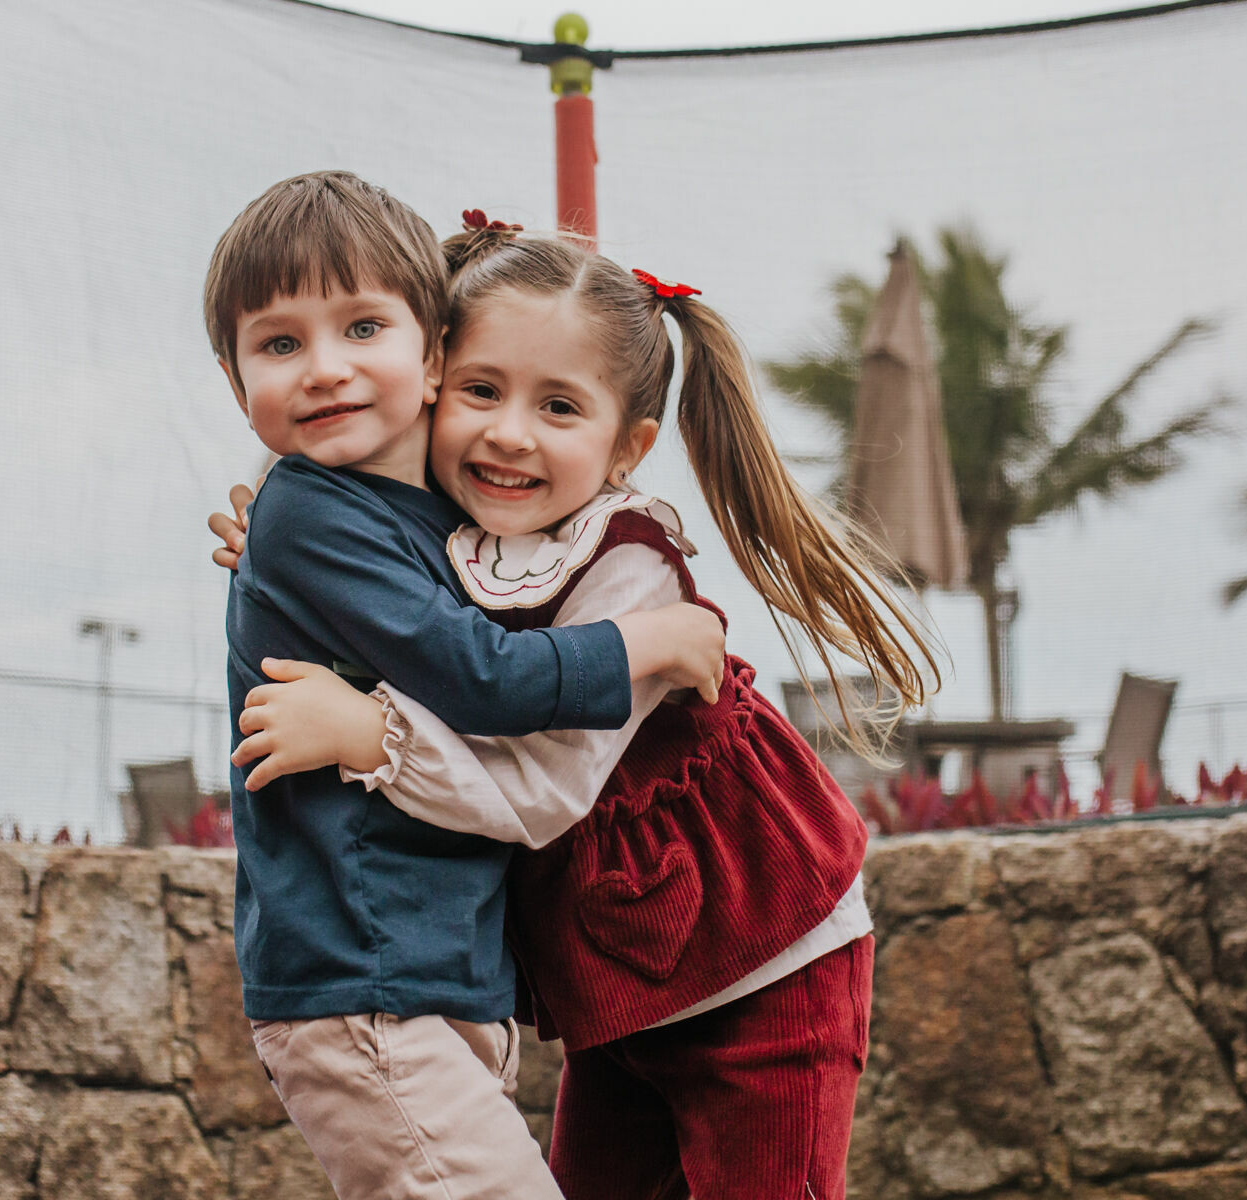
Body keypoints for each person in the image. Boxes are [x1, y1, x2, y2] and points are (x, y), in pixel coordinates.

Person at [220, 219, 941, 1200]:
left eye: (559, 406)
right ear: (432, 382)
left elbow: (543, 787)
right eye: (481, 390)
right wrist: (281, 528)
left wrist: (371, 736)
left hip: (762, 959)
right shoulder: (457, 534)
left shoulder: (633, 574)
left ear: (627, 446)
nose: (509, 432)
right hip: (627, 968)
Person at [203, 173, 727, 1200]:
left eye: (362, 328)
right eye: (279, 345)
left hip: (435, 976)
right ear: (236, 383)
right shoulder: (314, 516)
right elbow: (482, 680)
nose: (325, 370)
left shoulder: (425, 520)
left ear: (431, 357)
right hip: (363, 980)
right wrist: (645, 644)